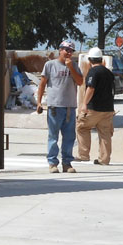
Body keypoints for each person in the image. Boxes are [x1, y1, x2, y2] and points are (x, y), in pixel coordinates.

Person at [36, 40, 85, 172]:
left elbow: (80, 82)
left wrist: (71, 68)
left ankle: (67, 163)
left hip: (69, 106)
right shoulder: (50, 65)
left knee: (69, 137)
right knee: (53, 136)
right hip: (55, 106)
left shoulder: (74, 66)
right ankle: (52, 163)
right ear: (60, 50)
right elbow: (42, 84)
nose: (68, 53)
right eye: (66, 50)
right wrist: (39, 102)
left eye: (71, 51)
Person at [77, 47, 115, 165]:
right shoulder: (109, 73)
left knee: (82, 128)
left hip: (94, 108)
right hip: (108, 108)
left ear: (89, 60)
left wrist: (84, 103)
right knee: (105, 133)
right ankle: (104, 159)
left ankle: (83, 155)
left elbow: (91, 88)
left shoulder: (93, 72)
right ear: (101, 59)